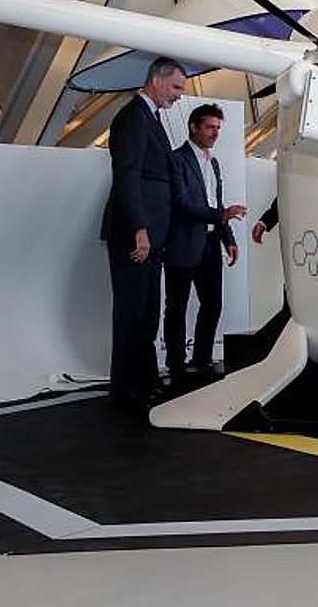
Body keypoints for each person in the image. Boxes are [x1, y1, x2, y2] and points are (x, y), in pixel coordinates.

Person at [101, 56, 186, 410]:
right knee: (133, 311)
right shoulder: (133, 117)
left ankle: (144, 380)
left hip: (152, 234)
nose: (179, 95)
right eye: (176, 87)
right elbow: (128, 176)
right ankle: (127, 388)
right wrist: (140, 228)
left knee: (147, 310)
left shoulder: (151, 118)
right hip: (135, 234)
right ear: (156, 79)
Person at [163, 104, 246, 380]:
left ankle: (201, 360)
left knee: (212, 304)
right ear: (194, 127)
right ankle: (176, 365)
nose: (215, 133)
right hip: (183, 244)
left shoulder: (214, 162)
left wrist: (228, 239)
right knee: (177, 307)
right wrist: (222, 214)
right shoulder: (176, 160)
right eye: (210, 127)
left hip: (211, 243)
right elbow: (181, 204)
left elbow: (215, 203)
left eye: (218, 128)